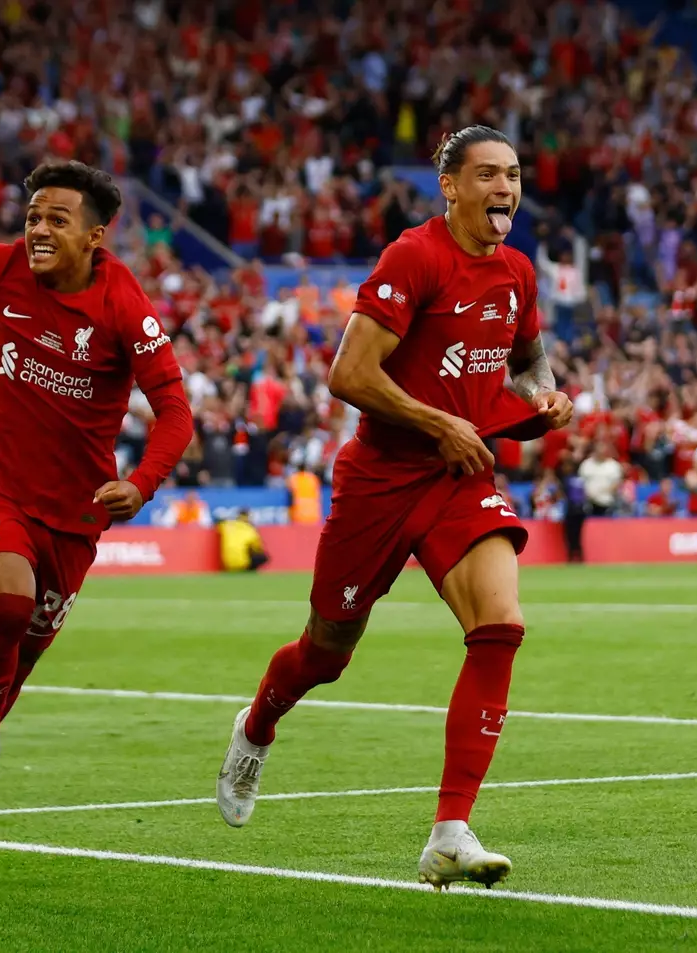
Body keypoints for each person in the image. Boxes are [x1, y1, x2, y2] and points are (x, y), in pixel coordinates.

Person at [214, 126, 573, 889]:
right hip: (382, 477)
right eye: (486, 175)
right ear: (449, 186)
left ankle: (450, 830)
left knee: (500, 625)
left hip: (458, 476)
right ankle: (256, 727)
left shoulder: (515, 271)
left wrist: (543, 392)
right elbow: (350, 373)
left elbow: (526, 359)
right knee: (327, 652)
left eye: (511, 175)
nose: (503, 188)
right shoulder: (413, 256)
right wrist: (439, 420)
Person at [0, 160, 194, 852]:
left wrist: (141, 482)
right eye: (32, 217)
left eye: (57, 219)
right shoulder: (5, 267)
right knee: (9, 607)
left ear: (96, 235)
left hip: (77, 514)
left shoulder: (125, 308)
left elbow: (175, 412)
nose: (38, 229)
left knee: (14, 662)